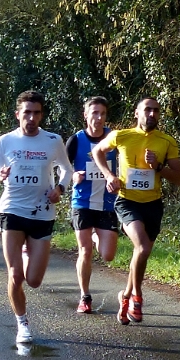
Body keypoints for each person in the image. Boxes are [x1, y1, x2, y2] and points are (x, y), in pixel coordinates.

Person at [0, 90, 73, 345]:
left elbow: (67, 169)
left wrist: (60, 188)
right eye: (27, 113)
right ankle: (22, 324)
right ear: (17, 114)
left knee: (34, 280)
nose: (31, 118)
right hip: (12, 210)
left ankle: (26, 252)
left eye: (36, 113)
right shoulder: (5, 142)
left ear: (41, 115)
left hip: (42, 212)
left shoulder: (53, 141)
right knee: (15, 275)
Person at [91, 97, 180, 325]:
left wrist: (158, 167)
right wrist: (109, 176)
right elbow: (97, 152)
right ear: (137, 113)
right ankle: (137, 298)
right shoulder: (121, 136)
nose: (152, 114)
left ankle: (125, 295)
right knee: (142, 247)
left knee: (141, 253)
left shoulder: (166, 141)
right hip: (127, 202)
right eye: (147, 110)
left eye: (156, 111)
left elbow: (179, 178)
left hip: (153, 204)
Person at [66, 96, 119, 314]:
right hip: (82, 202)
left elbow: (125, 163)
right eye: (94, 113)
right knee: (85, 250)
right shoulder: (76, 140)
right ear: (86, 115)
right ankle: (85, 296)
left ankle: (97, 236)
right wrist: (73, 176)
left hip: (107, 203)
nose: (98, 118)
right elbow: (62, 167)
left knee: (108, 255)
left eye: (102, 114)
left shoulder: (114, 138)